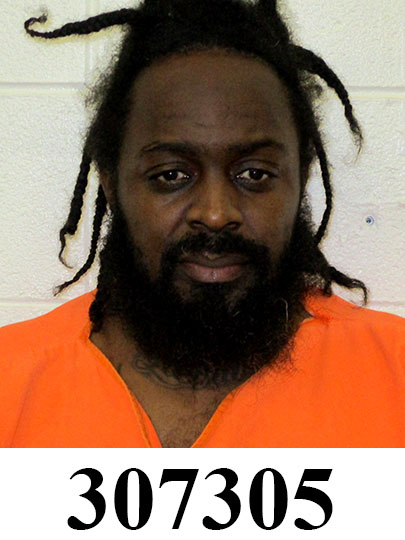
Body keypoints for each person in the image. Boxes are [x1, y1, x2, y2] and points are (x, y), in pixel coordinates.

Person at [1, 0, 404, 448]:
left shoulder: (395, 375)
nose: (215, 213)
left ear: (300, 177)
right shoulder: (10, 382)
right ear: (111, 183)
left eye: (254, 174)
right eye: (172, 175)